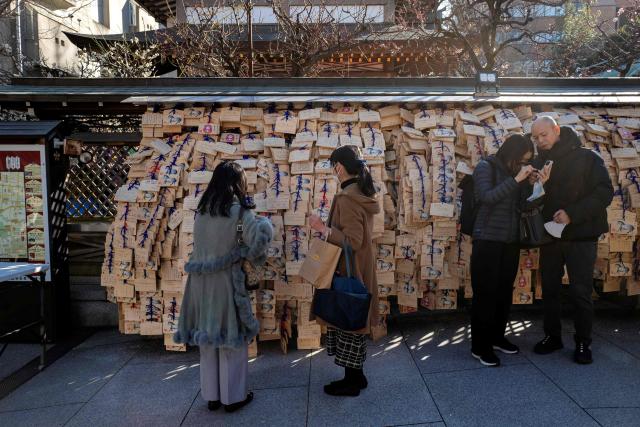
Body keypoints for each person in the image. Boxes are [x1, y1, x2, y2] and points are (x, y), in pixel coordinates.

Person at [174, 161, 273, 412]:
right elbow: (258, 243)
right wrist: (264, 227)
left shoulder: (203, 210)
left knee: (208, 340)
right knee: (232, 339)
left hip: (199, 284)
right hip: (227, 283)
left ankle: (212, 396)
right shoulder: (240, 212)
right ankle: (233, 398)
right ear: (238, 183)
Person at [530, 116, 613, 364]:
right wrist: (536, 187)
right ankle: (552, 337)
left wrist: (572, 214)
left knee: (580, 291)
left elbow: (604, 193)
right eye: (535, 137)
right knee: (550, 289)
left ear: (557, 130)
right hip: (549, 235)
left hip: (581, 235)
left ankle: (582, 342)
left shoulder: (588, 158)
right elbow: (532, 201)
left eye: (544, 135)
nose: (540, 141)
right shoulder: (538, 161)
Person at [309, 145, 381, 397]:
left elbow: (353, 240)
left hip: (350, 272)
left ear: (339, 167)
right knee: (354, 321)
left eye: (333, 167)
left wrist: (322, 228)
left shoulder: (347, 199)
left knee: (348, 321)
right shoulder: (360, 193)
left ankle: (352, 382)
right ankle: (357, 377)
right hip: (360, 268)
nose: (333, 171)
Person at [470, 134, 543, 367]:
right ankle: (480, 347)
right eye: (521, 160)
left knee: (503, 293)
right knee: (485, 295)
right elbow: (486, 197)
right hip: (488, 240)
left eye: (526, 162)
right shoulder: (485, 166)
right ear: (511, 155)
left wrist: (535, 186)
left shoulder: (517, 175)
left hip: (511, 241)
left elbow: (522, 206)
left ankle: (497, 337)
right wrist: (517, 179)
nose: (523, 165)